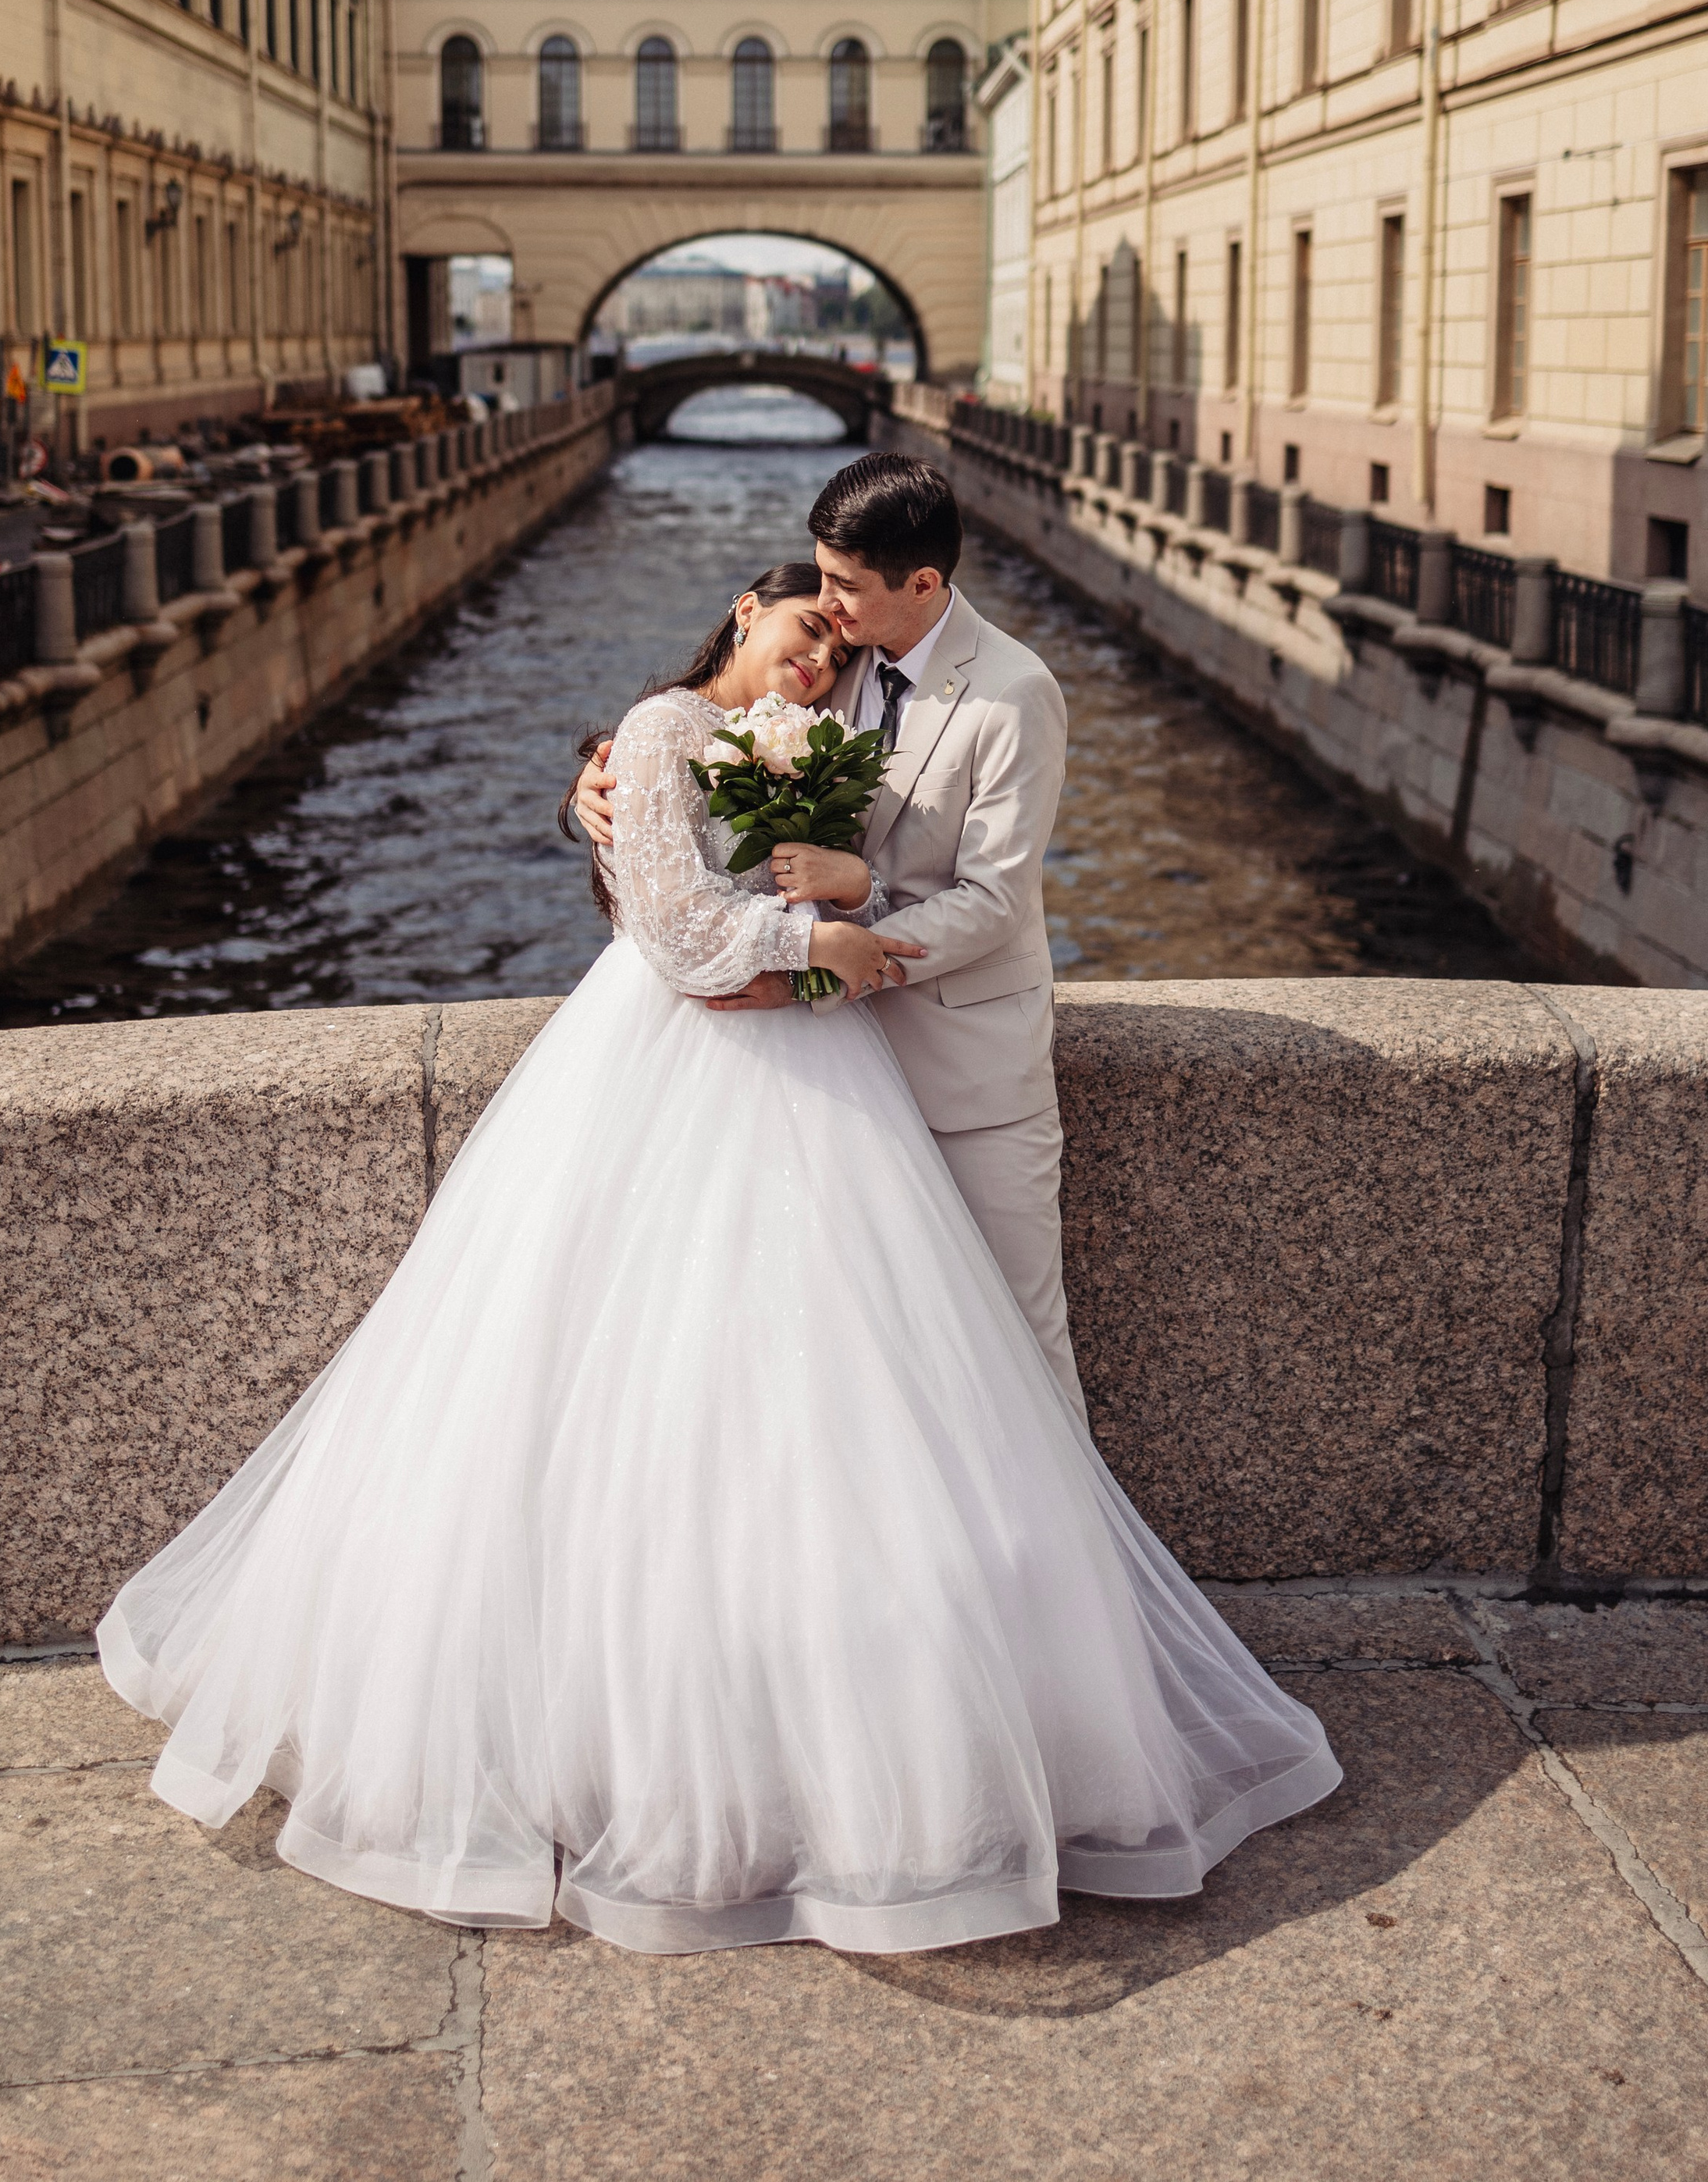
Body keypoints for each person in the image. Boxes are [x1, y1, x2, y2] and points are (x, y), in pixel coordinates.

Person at [99, 557, 1339, 1956]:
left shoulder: (829, 719)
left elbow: (875, 866)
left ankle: (875, 1732)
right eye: (805, 629)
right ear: (744, 618)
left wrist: (842, 931)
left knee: (827, 1387)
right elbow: (681, 934)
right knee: (627, 1382)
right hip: (688, 1056)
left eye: (835, 643)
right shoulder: (662, 729)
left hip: (818, 1066)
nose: (820, 662)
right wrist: (825, 949)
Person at [575, 453, 1081, 1408]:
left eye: (847, 588)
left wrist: (835, 959)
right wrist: (598, 783)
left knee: (1019, 1342)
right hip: (833, 1085)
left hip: (967, 1071)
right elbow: (693, 753)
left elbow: (994, 898)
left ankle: (1063, 1558)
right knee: (866, 1361)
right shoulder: (826, 671)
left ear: (923, 584)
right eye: (823, 581)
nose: (832, 612)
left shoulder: (1014, 694)